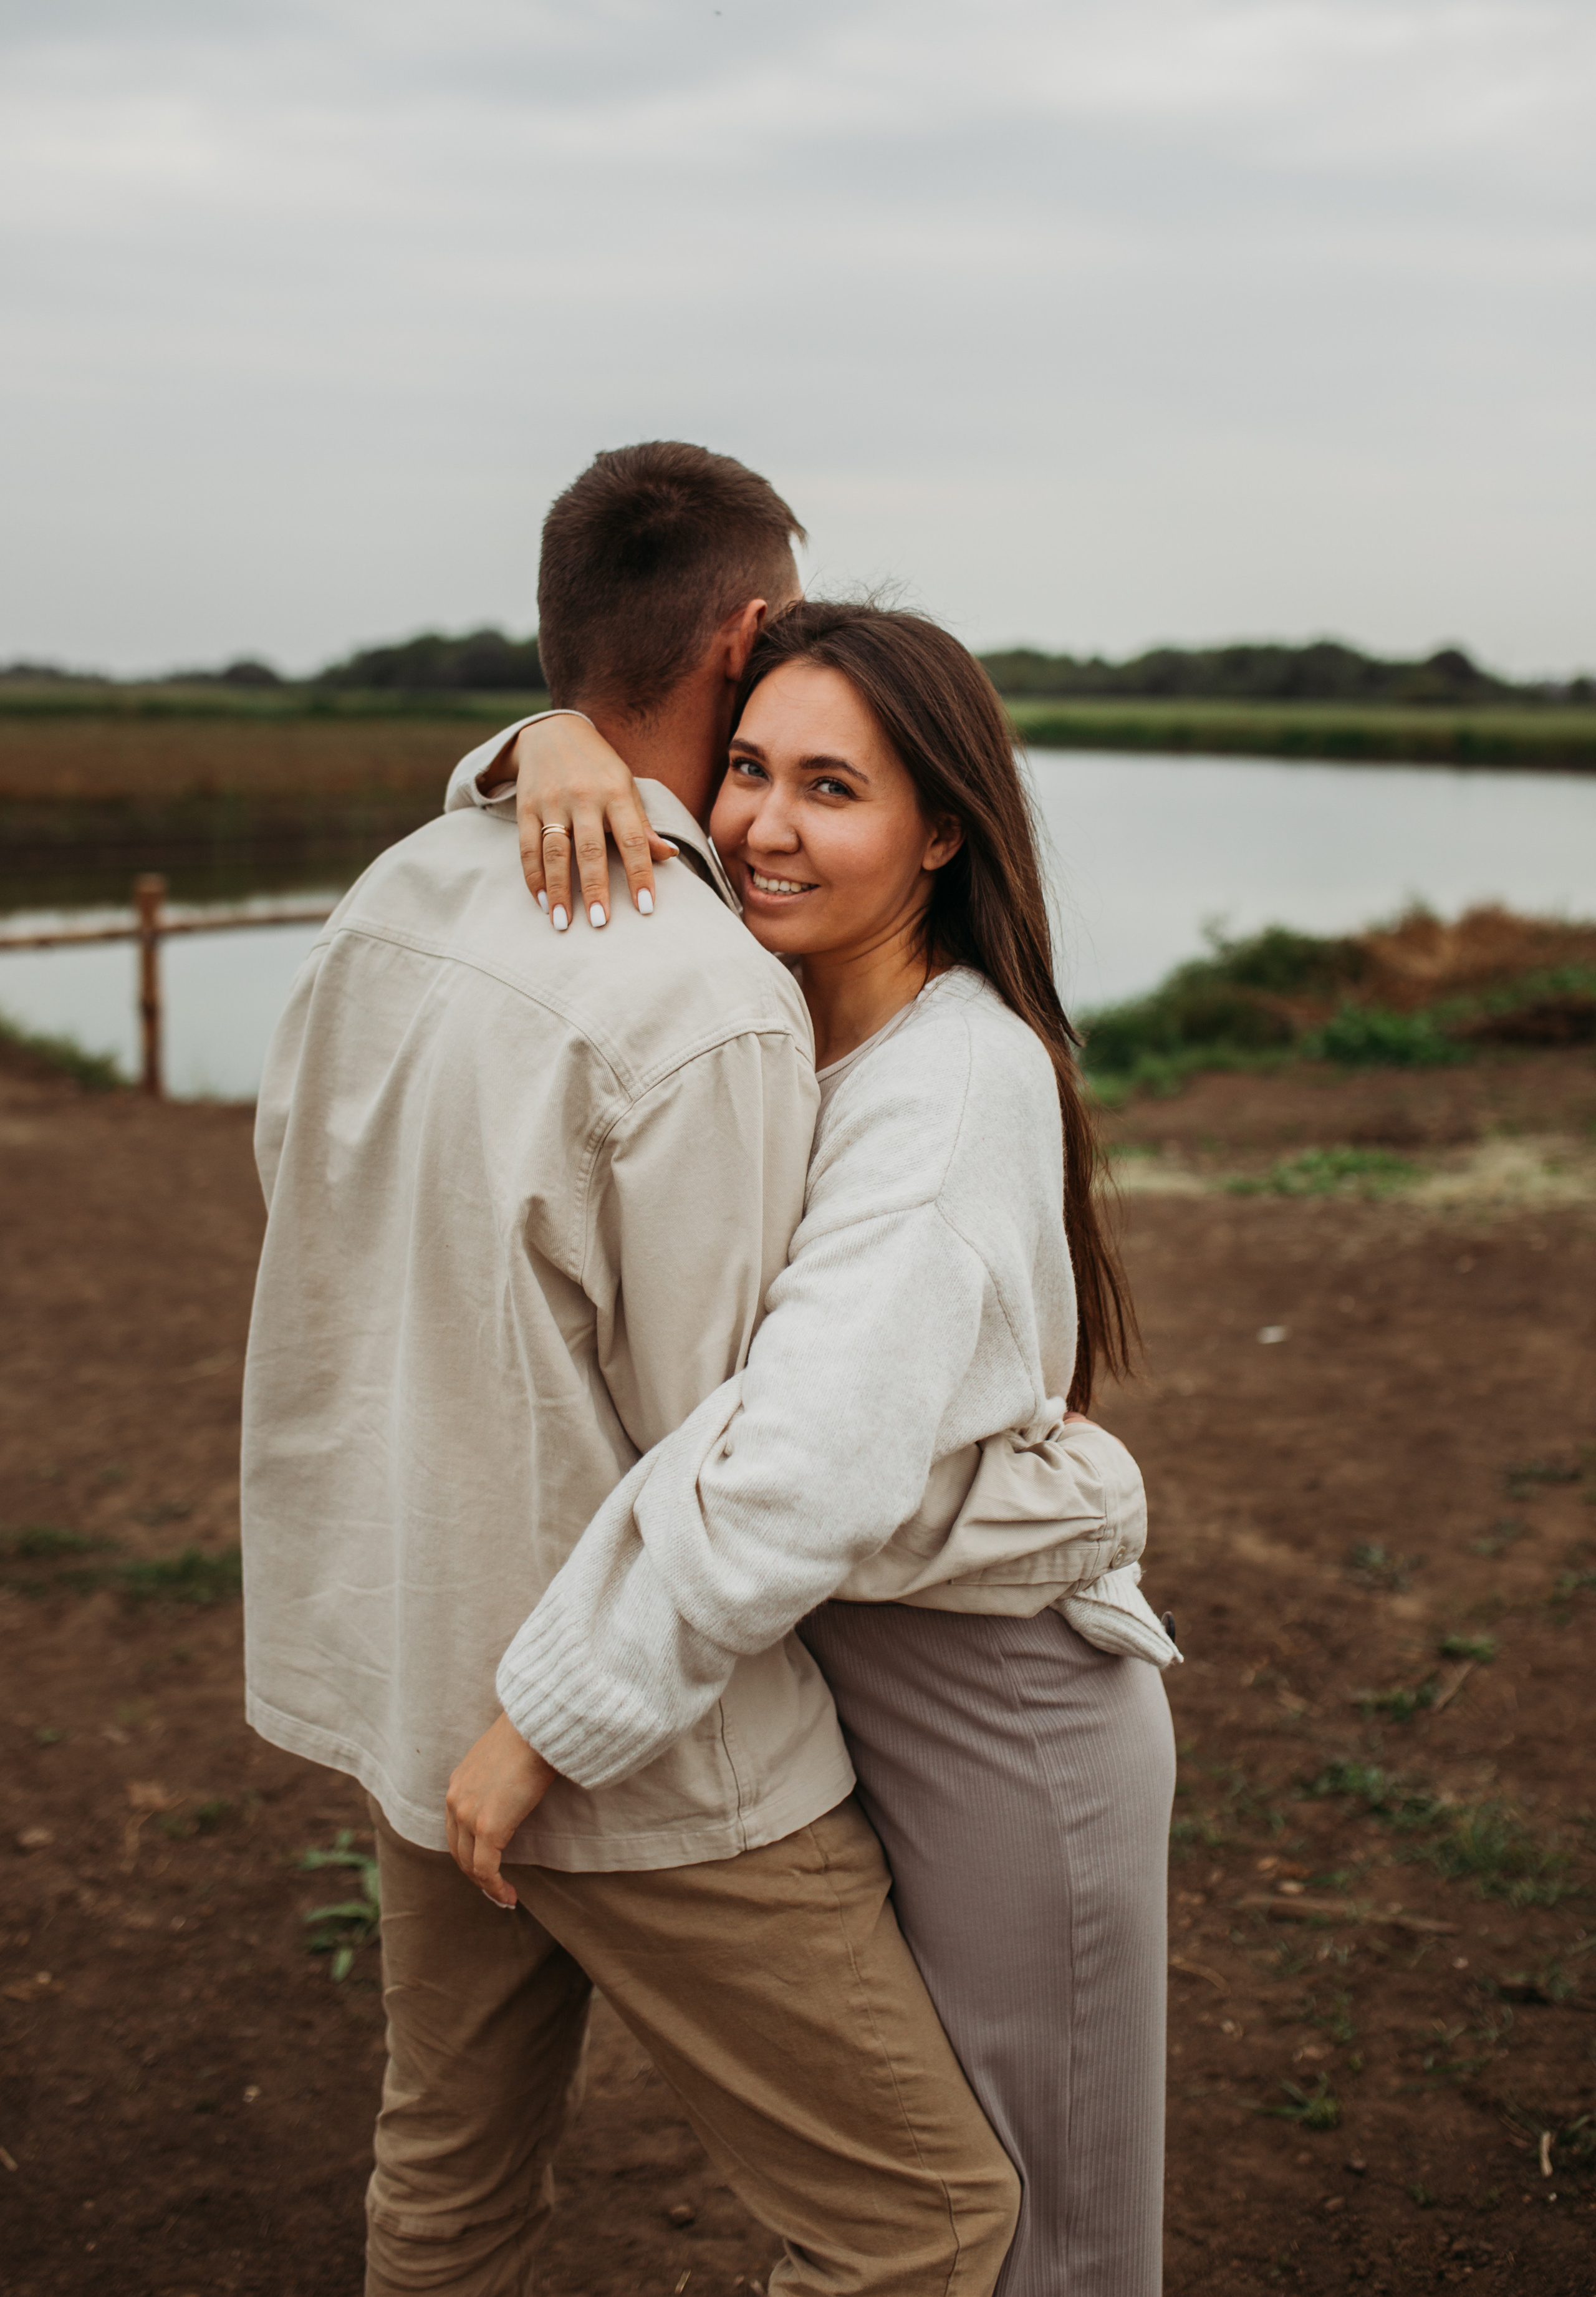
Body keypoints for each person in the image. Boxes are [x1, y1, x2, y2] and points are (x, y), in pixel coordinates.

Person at [241, 443, 1024, 2297]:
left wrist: (529, 745)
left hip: (406, 1667)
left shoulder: (391, 891)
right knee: (918, 2216)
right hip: (624, 1728)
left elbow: (304, 1196)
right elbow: (731, 1426)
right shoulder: (702, 987)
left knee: (447, 2173)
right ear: (747, 636)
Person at [445, 599, 1179, 2297]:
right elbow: (622, 765)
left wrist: (550, 1716)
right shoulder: (771, 1013)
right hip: (856, 1682)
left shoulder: (948, 1089)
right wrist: (542, 744)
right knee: (910, 2187)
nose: (766, 825)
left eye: (832, 788)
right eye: (751, 768)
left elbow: (797, 1467)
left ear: (940, 831)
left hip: (1002, 1722)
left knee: (1031, 2225)